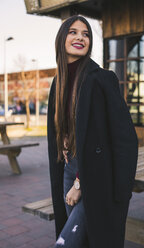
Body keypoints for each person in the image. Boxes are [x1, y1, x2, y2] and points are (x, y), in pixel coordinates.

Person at [47, 15, 138, 248]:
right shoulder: (58, 83)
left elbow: (123, 137)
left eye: (86, 34)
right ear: (62, 39)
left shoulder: (101, 79)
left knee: (67, 242)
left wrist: (81, 184)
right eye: (73, 32)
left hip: (98, 176)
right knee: (84, 241)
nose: (80, 37)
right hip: (70, 167)